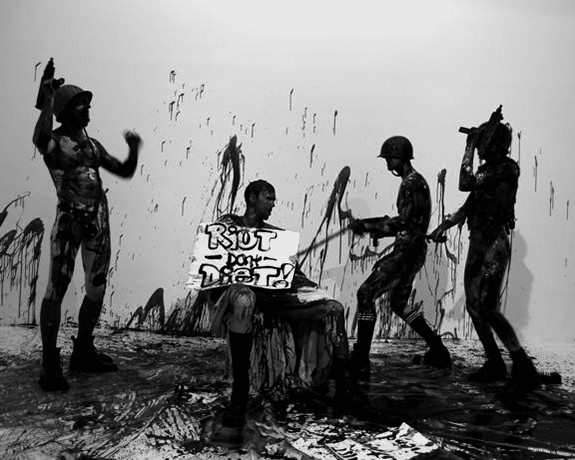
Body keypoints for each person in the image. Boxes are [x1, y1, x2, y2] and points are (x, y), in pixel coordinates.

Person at [207, 180, 351, 426]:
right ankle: (239, 397)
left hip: (274, 295)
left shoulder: (275, 236)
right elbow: (213, 264)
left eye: (274, 199)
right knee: (244, 300)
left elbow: (293, 275)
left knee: (334, 308)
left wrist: (310, 289)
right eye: (269, 198)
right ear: (252, 198)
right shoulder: (228, 225)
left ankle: (346, 392)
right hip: (242, 290)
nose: (273, 204)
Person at [33, 77, 142, 391]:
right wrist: (48, 99)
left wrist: (133, 150)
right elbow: (39, 137)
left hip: (98, 222)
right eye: (82, 104)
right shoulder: (55, 142)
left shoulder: (93, 145)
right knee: (57, 288)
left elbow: (123, 170)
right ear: (66, 110)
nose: (88, 109)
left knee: (97, 288)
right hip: (70, 222)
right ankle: (50, 364)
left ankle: (82, 351)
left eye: (88, 104)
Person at [428, 107, 539, 390]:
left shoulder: (506, 168)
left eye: (481, 143)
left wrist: (468, 146)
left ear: (493, 143)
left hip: (493, 246)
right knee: (474, 305)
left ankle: (522, 364)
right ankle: (495, 362)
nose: (478, 149)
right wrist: (445, 225)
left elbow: (464, 183)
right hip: (478, 244)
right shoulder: (487, 172)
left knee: (488, 307)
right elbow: (470, 204)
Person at [348, 136, 451, 380]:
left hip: (406, 253)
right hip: (414, 252)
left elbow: (404, 222)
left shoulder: (410, 184)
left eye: (390, 158)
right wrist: (374, 225)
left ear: (401, 158)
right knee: (398, 304)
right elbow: (408, 221)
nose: (387, 162)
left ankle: (361, 360)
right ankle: (437, 349)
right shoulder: (416, 181)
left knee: (366, 293)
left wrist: (368, 226)